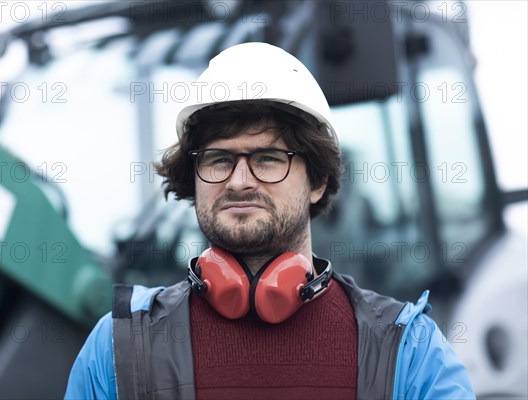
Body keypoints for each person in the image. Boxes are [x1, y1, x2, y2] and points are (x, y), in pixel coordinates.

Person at [64, 42, 475, 399]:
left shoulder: (409, 350)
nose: (239, 181)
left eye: (268, 159)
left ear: (317, 181)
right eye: (218, 160)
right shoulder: (118, 348)